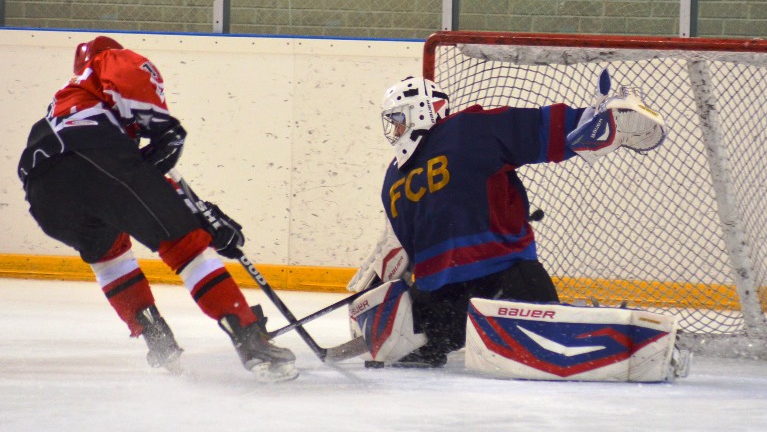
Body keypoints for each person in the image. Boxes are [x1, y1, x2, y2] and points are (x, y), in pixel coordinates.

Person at [17, 36, 298, 382]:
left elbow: (133, 181)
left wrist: (198, 211)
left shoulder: (66, 105)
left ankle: (158, 342)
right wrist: (199, 221)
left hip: (43, 192)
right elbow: (158, 147)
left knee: (110, 257)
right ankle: (250, 340)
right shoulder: (112, 59)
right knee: (187, 245)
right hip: (90, 158)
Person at [348, 75, 665, 368]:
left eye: (399, 120)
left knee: (543, 330)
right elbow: (404, 249)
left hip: (503, 276)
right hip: (445, 297)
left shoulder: (466, 130)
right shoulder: (393, 177)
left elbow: (539, 129)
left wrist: (594, 122)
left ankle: (608, 338)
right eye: (391, 123)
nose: (395, 131)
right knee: (406, 346)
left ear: (423, 111)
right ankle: (434, 342)